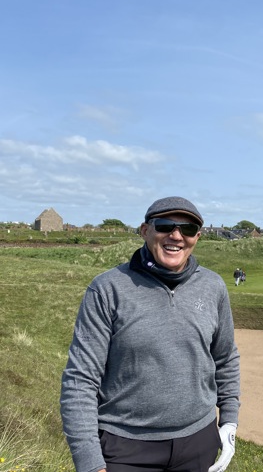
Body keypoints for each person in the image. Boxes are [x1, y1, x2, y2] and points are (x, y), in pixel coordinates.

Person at [60, 196, 241, 472]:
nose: (176, 236)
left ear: (198, 237)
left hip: (198, 440)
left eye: (188, 229)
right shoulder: (108, 289)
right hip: (125, 447)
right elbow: (80, 379)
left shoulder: (213, 286)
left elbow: (225, 358)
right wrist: (89, 461)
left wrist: (228, 421)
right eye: (165, 226)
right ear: (146, 231)